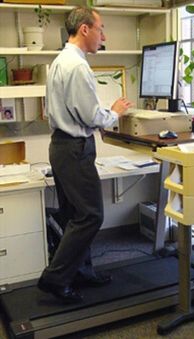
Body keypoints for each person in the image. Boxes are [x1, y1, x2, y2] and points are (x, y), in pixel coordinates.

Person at [37, 6, 133, 303]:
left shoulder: (60, 61)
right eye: (101, 29)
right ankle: (56, 277)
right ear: (85, 30)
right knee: (91, 215)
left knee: (73, 215)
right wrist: (114, 114)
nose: (103, 36)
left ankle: (81, 271)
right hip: (74, 148)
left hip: (62, 146)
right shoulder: (77, 66)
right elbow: (91, 115)